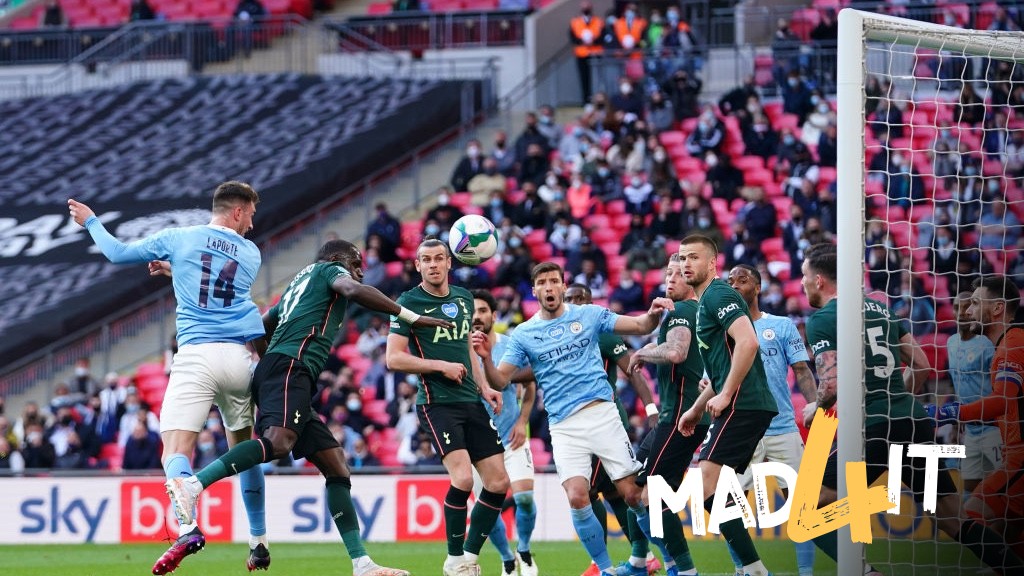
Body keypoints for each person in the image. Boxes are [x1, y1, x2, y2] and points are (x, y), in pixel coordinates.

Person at [165, 239, 450, 576]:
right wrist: (409, 316)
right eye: (355, 263)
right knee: (279, 443)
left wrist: (272, 358)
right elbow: (353, 289)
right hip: (290, 369)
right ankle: (193, 485)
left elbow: (260, 326)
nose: (359, 271)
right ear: (336, 259)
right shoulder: (330, 270)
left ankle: (362, 564)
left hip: (286, 371)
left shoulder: (295, 286)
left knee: (336, 466)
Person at [68, 182, 272, 574]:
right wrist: (176, 271)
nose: (252, 221)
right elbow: (218, 286)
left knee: (175, 451)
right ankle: (258, 542)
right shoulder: (251, 254)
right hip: (237, 359)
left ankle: (187, 527)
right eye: (251, 213)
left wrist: (90, 220)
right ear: (238, 211)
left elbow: (117, 253)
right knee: (244, 453)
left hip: (196, 356)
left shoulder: (181, 238)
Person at [801, 243, 1024, 573]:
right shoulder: (882, 310)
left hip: (872, 427)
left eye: (804, 275)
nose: (801, 282)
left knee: (808, 508)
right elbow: (921, 365)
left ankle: (866, 571)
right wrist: (897, 402)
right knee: (952, 519)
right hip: (913, 421)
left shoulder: (822, 319)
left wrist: (814, 407)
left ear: (819, 280)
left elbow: (831, 384)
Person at [473, 261, 674, 576]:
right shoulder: (524, 333)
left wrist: (653, 313)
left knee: (633, 494)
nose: (549, 287)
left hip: (602, 414)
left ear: (563, 286)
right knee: (578, 496)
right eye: (543, 283)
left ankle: (672, 561)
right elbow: (500, 381)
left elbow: (640, 327)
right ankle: (605, 569)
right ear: (535, 290)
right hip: (564, 426)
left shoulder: (589, 314)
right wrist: (486, 359)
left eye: (554, 281)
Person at [385, 239, 510, 576]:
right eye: (426, 260)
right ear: (418, 266)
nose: (434, 265)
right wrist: (440, 366)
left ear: (449, 263)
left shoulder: (464, 298)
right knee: (464, 479)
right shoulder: (408, 303)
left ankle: (467, 558)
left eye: (439, 258)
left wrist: (484, 386)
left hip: (471, 400)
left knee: (498, 482)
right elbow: (393, 357)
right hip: (437, 403)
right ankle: (454, 560)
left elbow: (467, 347)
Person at [674, 235, 776, 576]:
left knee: (706, 484)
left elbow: (748, 342)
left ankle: (754, 568)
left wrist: (727, 394)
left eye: (694, 257)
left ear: (713, 263)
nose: (686, 263)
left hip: (743, 403)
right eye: (682, 257)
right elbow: (722, 366)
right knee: (710, 488)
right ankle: (752, 567)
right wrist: (698, 406)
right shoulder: (706, 302)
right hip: (740, 402)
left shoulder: (718, 293)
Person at [726, 264, 816, 576]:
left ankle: (805, 572)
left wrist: (815, 403)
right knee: (727, 504)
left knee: (801, 505)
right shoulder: (721, 328)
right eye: (730, 281)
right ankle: (744, 569)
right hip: (740, 431)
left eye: (743, 279)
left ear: (758, 288)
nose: (735, 285)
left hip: (781, 428)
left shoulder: (780, 326)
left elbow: (802, 370)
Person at [564, 283, 660, 576]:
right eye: (571, 299)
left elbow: (632, 368)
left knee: (589, 490)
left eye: (582, 298)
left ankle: (599, 563)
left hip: (602, 420)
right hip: (575, 420)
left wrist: (651, 409)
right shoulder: (557, 336)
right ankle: (645, 559)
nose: (576, 303)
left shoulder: (601, 333)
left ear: (592, 302)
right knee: (616, 493)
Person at [622, 254, 707, 576]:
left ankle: (682, 568)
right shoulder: (688, 311)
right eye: (667, 275)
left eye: (678, 274)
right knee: (633, 486)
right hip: (677, 415)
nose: (669, 280)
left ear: (693, 278)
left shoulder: (683, 310)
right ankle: (640, 562)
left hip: (681, 416)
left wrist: (641, 351)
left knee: (647, 495)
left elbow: (676, 352)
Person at [932, 277, 1024, 549]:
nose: (967, 311)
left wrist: (948, 412)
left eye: (974, 303)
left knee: (966, 517)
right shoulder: (1006, 343)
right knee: (1008, 530)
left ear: (996, 309)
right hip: (1007, 450)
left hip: (1017, 457)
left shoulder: (1012, 345)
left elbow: (1001, 401)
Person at [470, 290, 540, 576]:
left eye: (483, 310)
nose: (477, 316)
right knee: (489, 510)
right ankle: (506, 558)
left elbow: (531, 384)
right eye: (473, 311)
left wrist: (522, 420)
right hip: (476, 443)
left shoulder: (510, 346)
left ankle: (524, 549)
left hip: (511, 437)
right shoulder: (459, 350)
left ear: (493, 316)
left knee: (524, 498)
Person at [944, 291, 999, 496]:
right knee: (970, 491)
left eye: (968, 307)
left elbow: (998, 389)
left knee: (1008, 490)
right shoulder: (951, 342)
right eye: (957, 307)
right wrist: (957, 422)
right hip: (971, 431)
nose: (962, 312)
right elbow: (958, 384)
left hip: (994, 429)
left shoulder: (987, 344)